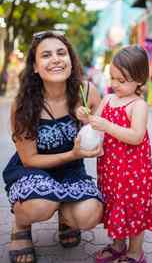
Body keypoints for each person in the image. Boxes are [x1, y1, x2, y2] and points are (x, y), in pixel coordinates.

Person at [2, 31, 104, 263]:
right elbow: (29, 159)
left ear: (71, 59)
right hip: (32, 169)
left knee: (91, 214)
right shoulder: (23, 103)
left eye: (61, 53)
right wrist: (73, 153)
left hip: (71, 171)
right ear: (35, 67)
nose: (56, 59)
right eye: (46, 55)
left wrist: (93, 124)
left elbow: (103, 132)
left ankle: (66, 218)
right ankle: (21, 225)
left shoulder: (86, 92)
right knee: (41, 205)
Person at [77, 45, 152, 263]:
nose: (115, 84)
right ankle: (117, 245)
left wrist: (106, 125)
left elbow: (136, 136)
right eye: (112, 78)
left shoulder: (138, 105)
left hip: (133, 172)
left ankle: (135, 252)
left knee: (133, 210)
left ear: (140, 79)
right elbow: (96, 124)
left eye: (121, 80)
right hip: (110, 169)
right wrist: (85, 116)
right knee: (115, 205)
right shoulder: (107, 100)